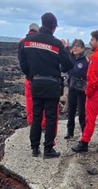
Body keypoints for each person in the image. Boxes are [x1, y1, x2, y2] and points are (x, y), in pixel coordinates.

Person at [19, 12, 73, 158]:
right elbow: (68, 64)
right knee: (51, 117)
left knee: (36, 115)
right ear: (54, 27)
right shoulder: (57, 44)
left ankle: (34, 148)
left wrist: (31, 75)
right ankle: (48, 149)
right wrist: (66, 49)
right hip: (52, 84)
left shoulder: (27, 41)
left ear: (42, 23)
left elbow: (22, 62)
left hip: (36, 82)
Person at [63, 39, 89, 140]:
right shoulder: (71, 57)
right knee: (71, 111)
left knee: (82, 112)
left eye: (77, 46)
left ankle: (84, 133)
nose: (75, 48)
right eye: (74, 46)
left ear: (82, 48)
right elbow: (64, 67)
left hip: (82, 90)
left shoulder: (86, 60)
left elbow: (88, 74)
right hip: (72, 88)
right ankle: (70, 132)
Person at [18, 22, 40, 127]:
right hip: (40, 76)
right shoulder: (40, 42)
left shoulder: (22, 42)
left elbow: (22, 62)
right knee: (41, 101)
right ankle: (42, 123)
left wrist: (28, 74)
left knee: (29, 100)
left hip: (29, 77)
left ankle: (31, 121)